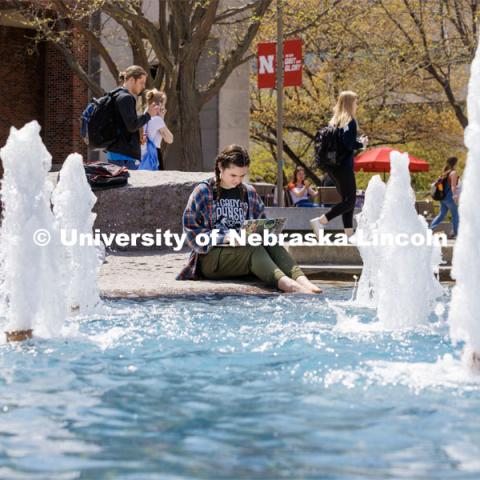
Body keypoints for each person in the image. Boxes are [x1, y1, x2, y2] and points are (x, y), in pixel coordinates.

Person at [177, 144, 322, 293]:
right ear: (220, 167)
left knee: (270, 242)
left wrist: (266, 231)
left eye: (242, 176)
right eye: (233, 175)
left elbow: (261, 224)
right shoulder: (203, 192)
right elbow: (192, 235)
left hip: (241, 252)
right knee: (253, 248)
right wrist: (225, 237)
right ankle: (289, 286)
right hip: (211, 259)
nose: (237, 180)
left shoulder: (249, 192)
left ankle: (303, 281)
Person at [310, 91, 368, 237]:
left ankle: (349, 235)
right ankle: (321, 221)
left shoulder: (335, 121)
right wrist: (361, 143)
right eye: (355, 102)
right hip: (344, 167)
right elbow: (348, 144)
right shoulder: (350, 121)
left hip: (333, 168)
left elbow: (342, 142)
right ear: (350, 103)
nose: (357, 105)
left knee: (347, 202)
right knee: (349, 202)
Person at [106, 65, 159, 169]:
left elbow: (124, 125)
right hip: (124, 156)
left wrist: (136, 138)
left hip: (116, 153)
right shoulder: (126, 98)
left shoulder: (116, 95)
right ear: (131, 80)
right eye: (141, 82)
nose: (143, 86)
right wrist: (148, 115)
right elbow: (132, 125)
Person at [140, 89, 174, 170]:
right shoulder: (156, 120)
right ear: (159, 104)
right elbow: (170, 139)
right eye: (164, 104)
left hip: (143, 156)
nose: (164, 107)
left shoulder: (144, 116)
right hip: (154, 154)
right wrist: (161, 119)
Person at [429, 156, 460, 238]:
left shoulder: (445, 172)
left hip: (443, 198)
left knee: (441, 214)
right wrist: (455, 195)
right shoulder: (453, 173)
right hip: (450, 198)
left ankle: (430, 229)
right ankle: (455, 233)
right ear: (455, 163)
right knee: (455, 215)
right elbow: (453, 186)